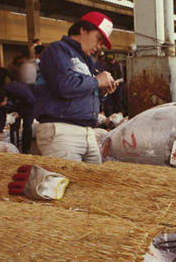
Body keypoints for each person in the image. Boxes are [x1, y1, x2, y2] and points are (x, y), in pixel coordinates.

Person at [33, 11, 116, 163]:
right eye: (98, 39)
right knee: (65, 183)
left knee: (93, 183)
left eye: (102, 43)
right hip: (62, 130)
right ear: (83, 30)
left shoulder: (87, 60)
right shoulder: (57, 50)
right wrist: (97, 81)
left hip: (86, 131)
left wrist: (101, 91)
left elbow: (79, 89)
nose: (99, 46)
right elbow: (63, 85)